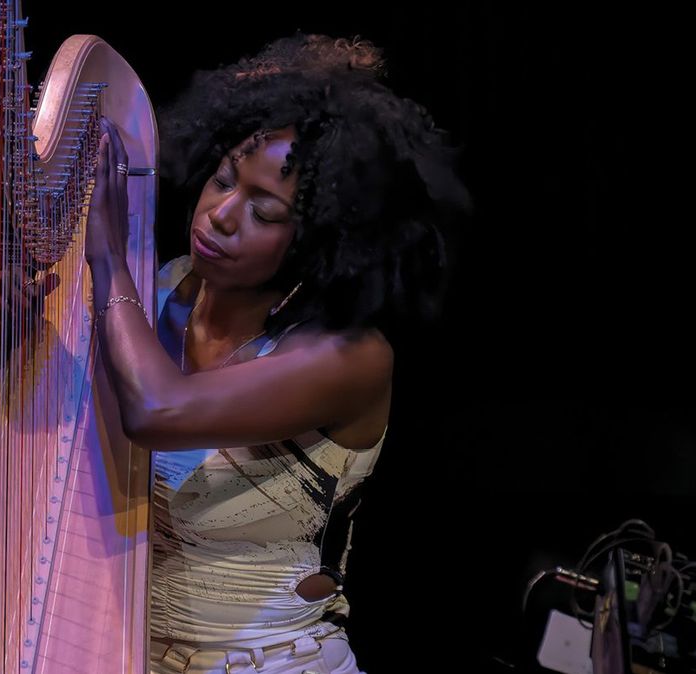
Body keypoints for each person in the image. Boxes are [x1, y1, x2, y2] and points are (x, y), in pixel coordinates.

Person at [85, 34, 471, 673]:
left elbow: (158, 409)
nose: (221, 215)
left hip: (273, 661)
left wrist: (104, 255)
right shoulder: (158, 288)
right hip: (131, 653)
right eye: (222, 180)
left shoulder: (348, 358)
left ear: (317, 238)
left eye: (264, 211)